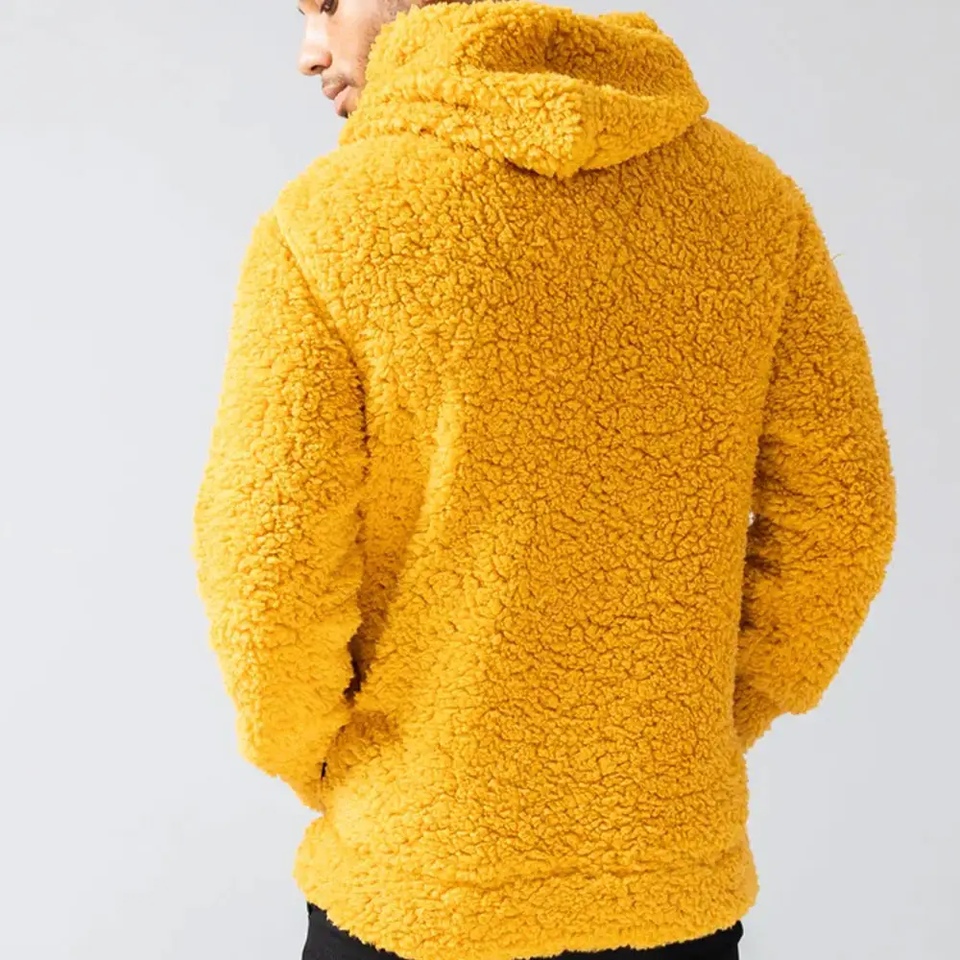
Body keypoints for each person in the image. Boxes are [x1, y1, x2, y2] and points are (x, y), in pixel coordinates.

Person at [190, 1, 897, 958]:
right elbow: (842, 518)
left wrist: (335, 764)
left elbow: (266, 564)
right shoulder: (752, 205)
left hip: (423, 883)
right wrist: (701, 726)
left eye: (324, 5)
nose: (309, 52)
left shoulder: (333, 220)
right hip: (667, 875)